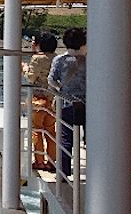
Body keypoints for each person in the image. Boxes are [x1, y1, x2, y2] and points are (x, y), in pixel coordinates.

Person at [48, 27, 86, 177]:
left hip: (67, 103)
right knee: (91, 138)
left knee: (65, 138)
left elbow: (51, 80)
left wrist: (62, 88)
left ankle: (63, 172)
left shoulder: (60, 59)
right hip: (89, 104)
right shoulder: (91, 59)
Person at [24, 32, 58, 171]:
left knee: (36, 130)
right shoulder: (56, 58)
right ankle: (51, 161)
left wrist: (24, 68)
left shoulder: (37, 59)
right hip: (52, 99)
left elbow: (30, 78)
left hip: (38, 99)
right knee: (51, 132)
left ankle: (39, 161)